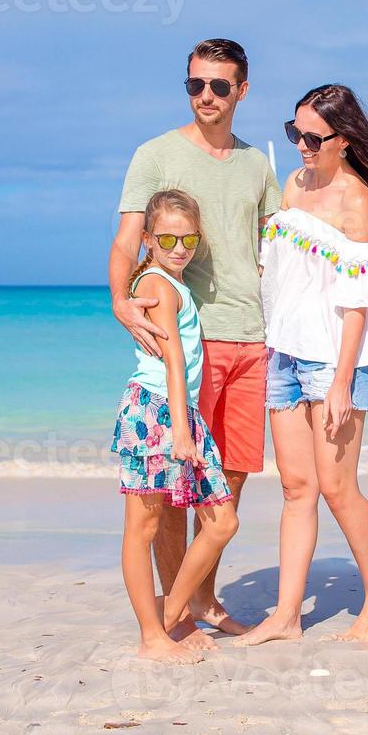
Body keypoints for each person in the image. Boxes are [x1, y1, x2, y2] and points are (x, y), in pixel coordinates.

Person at [242, 83, 368, 644]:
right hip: (283, 352)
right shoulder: (293, 183)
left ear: (343, 139)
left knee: (338, 486)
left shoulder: (356, 198)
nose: (302, 146)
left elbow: (358, 304)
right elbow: (279, 273)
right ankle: (285, 617)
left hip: (334, 359)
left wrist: (341, 381)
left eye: (312, 137)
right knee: (295, 487)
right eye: (294, 133)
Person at [109, 38, 281, 645]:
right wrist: (119, 302)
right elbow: (128, 242)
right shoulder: (155, 155)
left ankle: (200, 601)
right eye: (195, 85)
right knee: (177, 484)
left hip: (254, 339)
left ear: (242, 89)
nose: (206, 96)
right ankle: (174, 615)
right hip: (195, 340)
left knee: (228, 477)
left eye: (219, 85)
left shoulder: (259, 166)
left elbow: (275, 248)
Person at [112, 189, 238, 664]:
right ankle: (152, 636)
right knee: (142, 527)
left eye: (188, 238)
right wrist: (182, 429)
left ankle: (169, 618)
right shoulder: (159, 283)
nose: (179, 247)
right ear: (147, 239)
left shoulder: (173, 283)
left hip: (179, 410)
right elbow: (173, 358)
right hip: (157, 411)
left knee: (222, 521)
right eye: (166, 238)